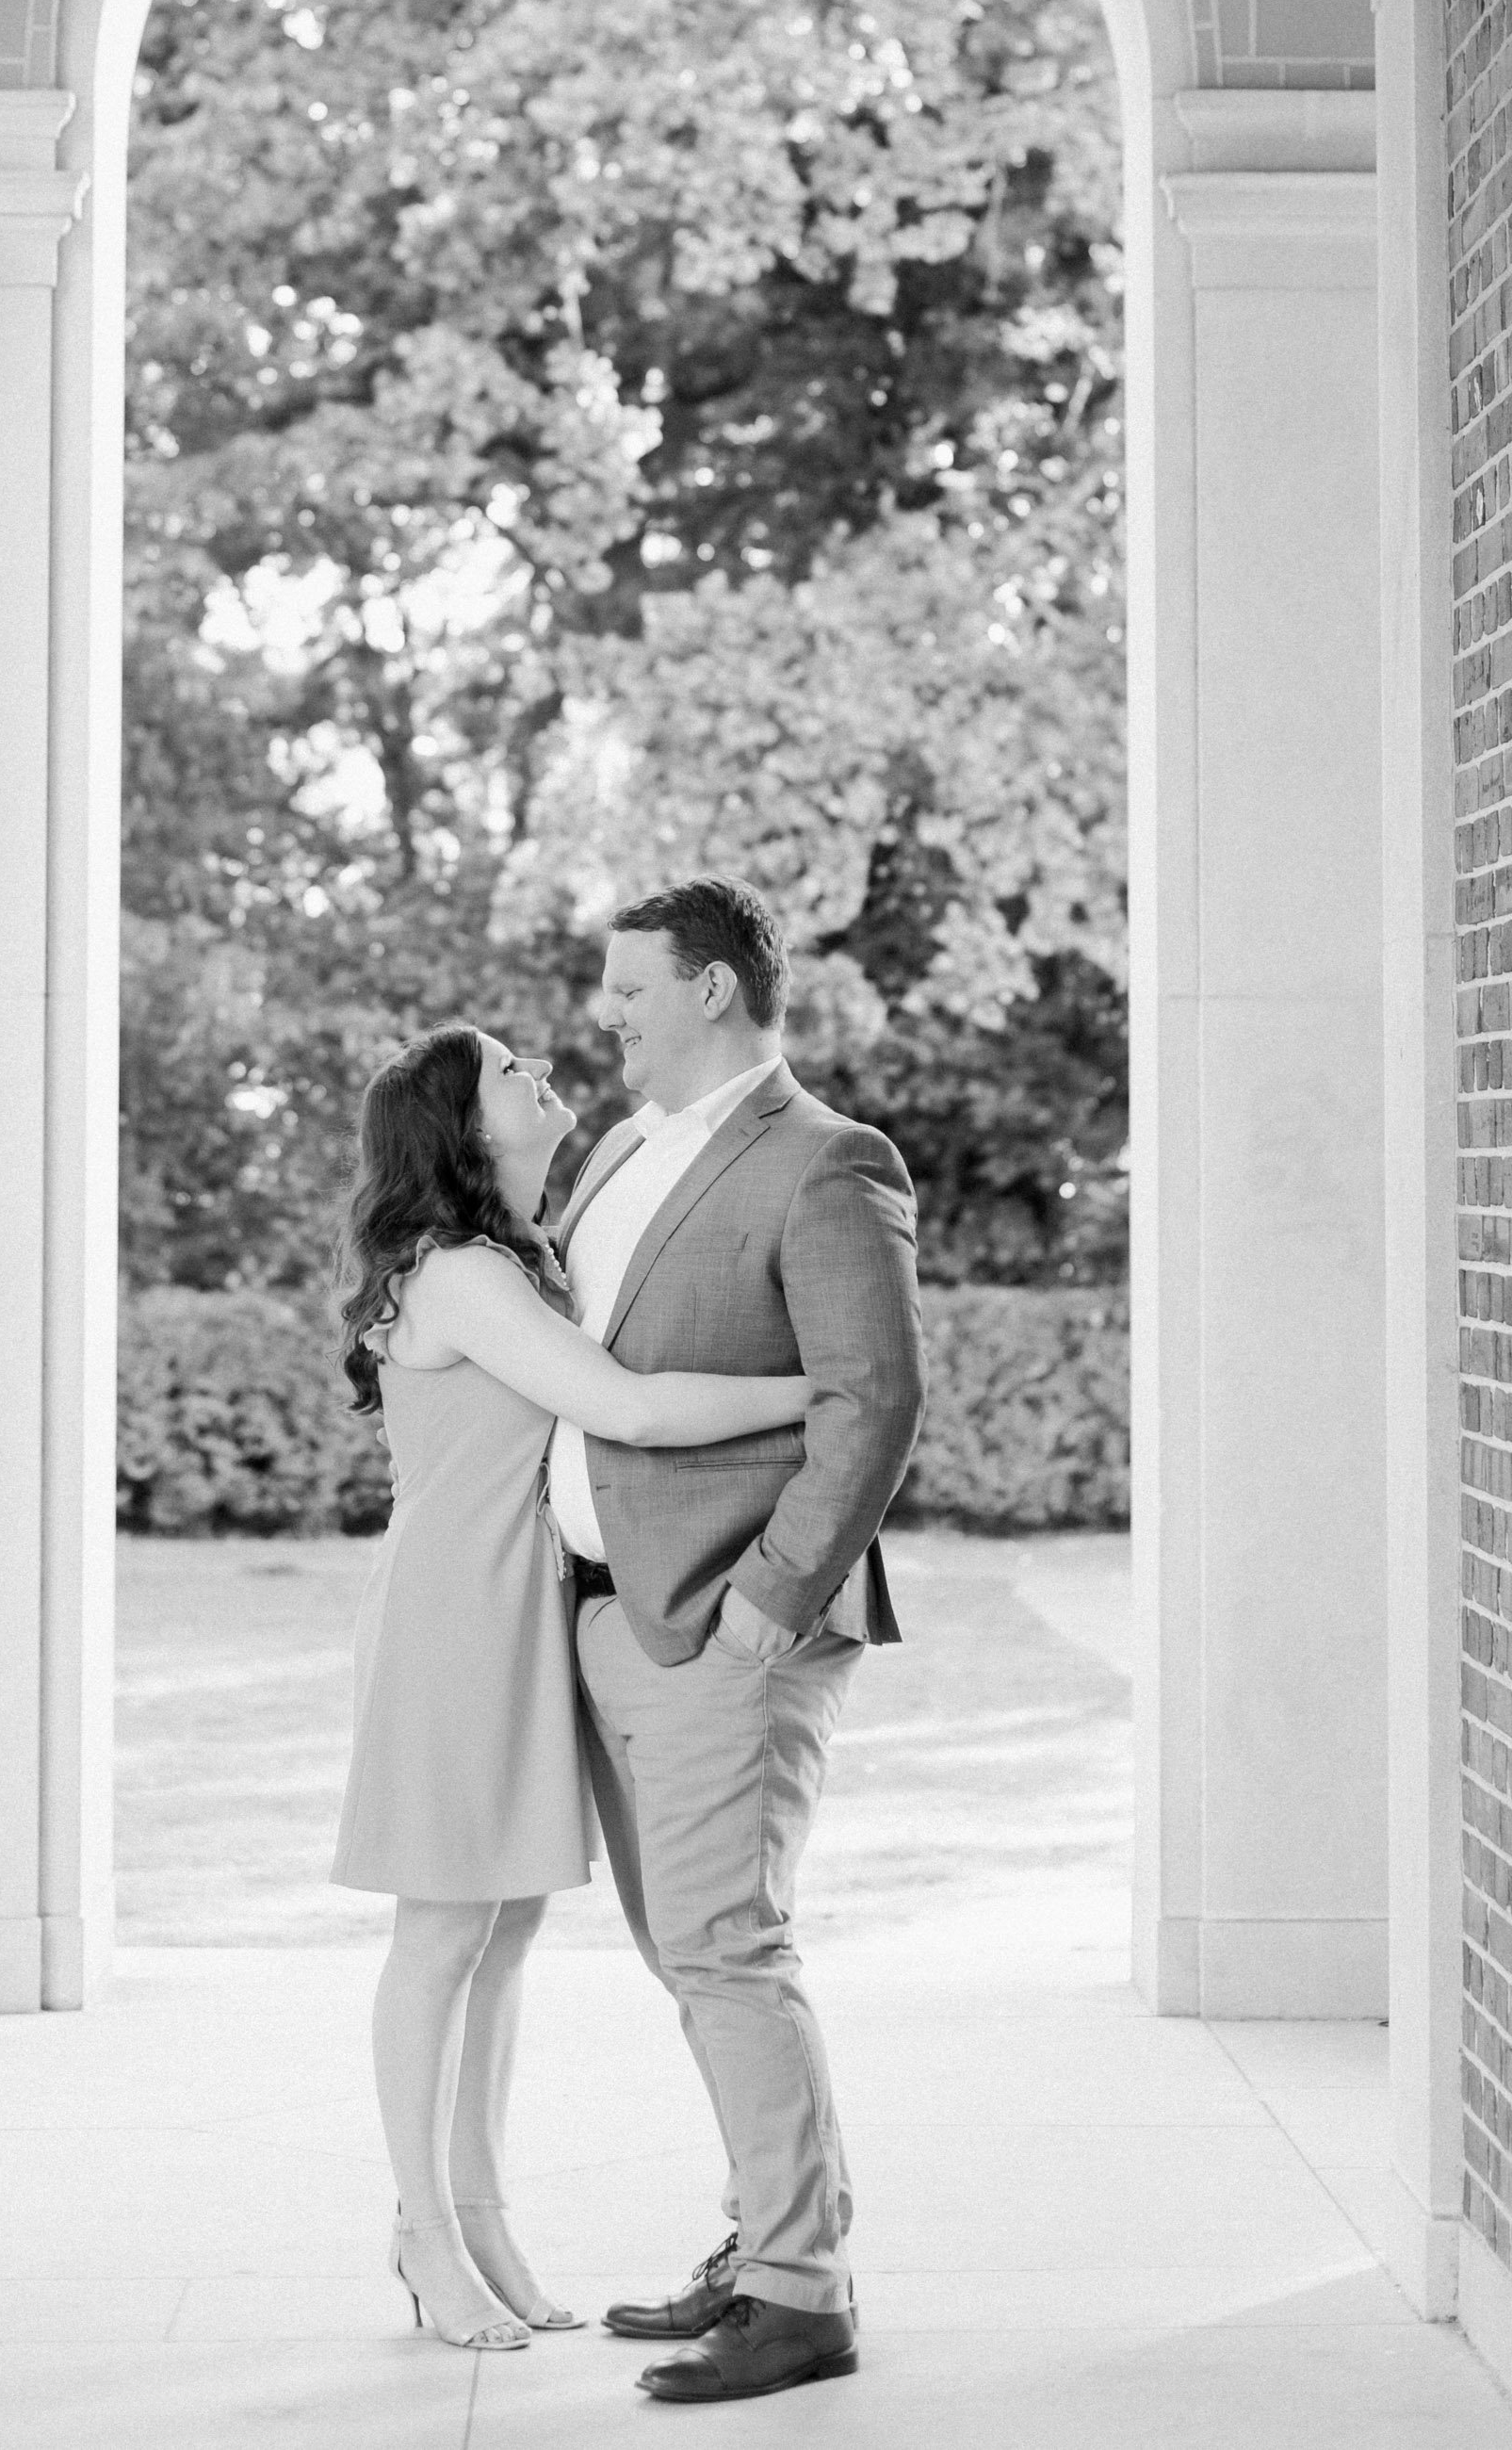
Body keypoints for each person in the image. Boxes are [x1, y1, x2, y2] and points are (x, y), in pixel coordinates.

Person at [331, 1021, 820, 2357]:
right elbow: (634, 1409)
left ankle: (479, 2219)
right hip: (454, 1621)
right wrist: (822, 1390)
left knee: (507, 1937)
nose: (539, 1071)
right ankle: (423, 2237)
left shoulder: (521, 1256)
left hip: (518, 1612)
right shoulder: (459, 1270)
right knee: (440, 1938)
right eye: (505, 1070)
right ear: (460, 1125)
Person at [553, 874, 926, 2407]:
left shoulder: (830, 1163)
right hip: (602, 1616)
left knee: (727, 1945)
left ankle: (798, 2290)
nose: (609, 1014)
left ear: (713, 989)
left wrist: (769, 1601)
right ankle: (762, 2237)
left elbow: (873, 1396)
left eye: (632, 988)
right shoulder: (621, 1152)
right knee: (687, 1951)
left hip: (727, 1621)